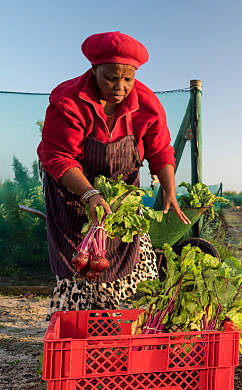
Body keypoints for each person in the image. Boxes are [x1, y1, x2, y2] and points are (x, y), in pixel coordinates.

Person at [37, 31, 190, 319]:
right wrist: (89, 193)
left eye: (127, 79)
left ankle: (114, 325)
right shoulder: (68, 100)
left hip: (121, 192)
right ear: (94, 71)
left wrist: (169, 187)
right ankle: (77, 326)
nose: (120, 87)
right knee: (77, 264)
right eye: (110, 77)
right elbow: (58, 156)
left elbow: (160, 151)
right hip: (71, 189)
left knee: (125, 256)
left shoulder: (147, 104)